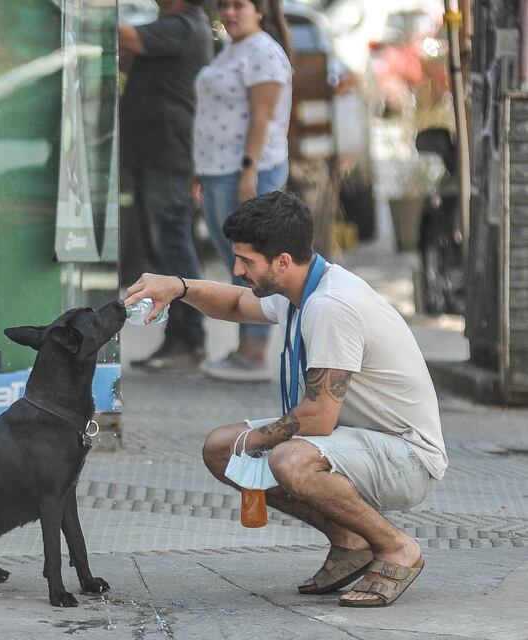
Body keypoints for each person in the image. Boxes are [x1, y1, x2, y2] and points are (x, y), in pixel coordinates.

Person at [124, 191, 448, 607]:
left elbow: (317, 419)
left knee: (287, 460)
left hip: (409, 458)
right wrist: (180, 286)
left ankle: (396, 547)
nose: (237, 269)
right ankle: (350, 540)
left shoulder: (332, 306)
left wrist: (254, 447)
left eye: (246, 261)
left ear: (281, 261)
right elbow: (237, 303)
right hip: (362, 442)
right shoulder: (303, 282)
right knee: (221, 449)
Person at [193, 0, 292, 381]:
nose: (229, 13)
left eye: (239, 5)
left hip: (248, 170)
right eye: (225, 6)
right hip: (219, 170)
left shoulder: (264, 52)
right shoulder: (233, 50)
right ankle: (243, 346)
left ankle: (254, 351)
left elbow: (262, 116)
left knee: (252, 261)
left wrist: (249, 170)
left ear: (260, 10)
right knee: (236, 262)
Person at [119, 0, 214, 373]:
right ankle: (176, 341)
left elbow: (125, 35)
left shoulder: (185, 25)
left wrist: (88, 13)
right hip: (153, 156)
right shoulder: (170, 27)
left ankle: (191, 341)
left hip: (168, 156)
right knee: (161, 251)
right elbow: (130, 53)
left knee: (172, 246)